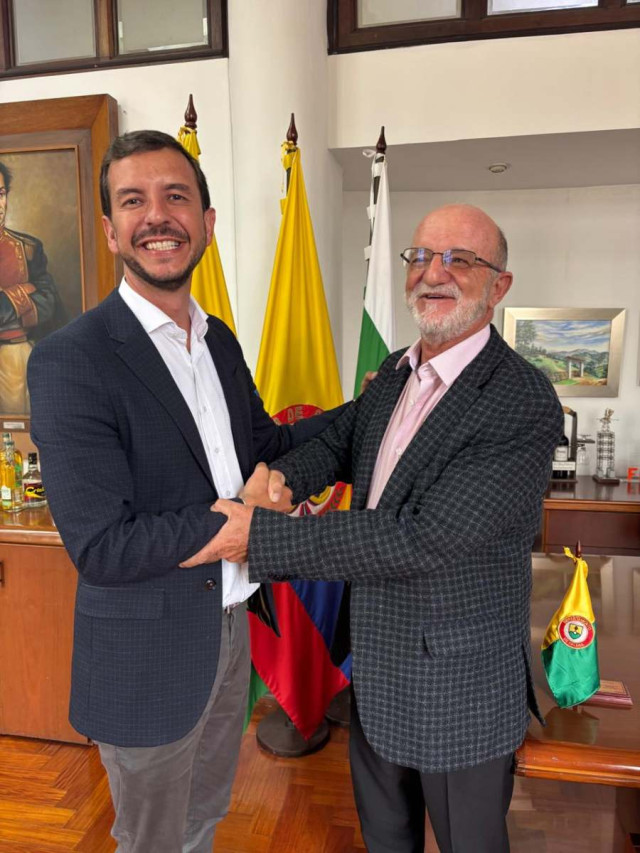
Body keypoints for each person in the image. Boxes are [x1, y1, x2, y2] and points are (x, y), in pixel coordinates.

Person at [187, 204, 564, 852]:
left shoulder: (521, 398)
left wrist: (257, 535)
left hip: (461, 692)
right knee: (385, 839)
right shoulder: (394, 371)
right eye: (420, 256)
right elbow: (339, 442)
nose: (433, 273)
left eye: (460, 259)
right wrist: (277, 481)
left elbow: (424, 538)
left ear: (499, 285)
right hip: (377, 672)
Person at [27, 129, 342, 853]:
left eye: (176, 196)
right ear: (111, 230)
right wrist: (234, 523)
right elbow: (102, 547)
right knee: (151, 840)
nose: (156, 216)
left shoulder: (219, 339)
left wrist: (381, 399)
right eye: (132, 201)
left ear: (206, 221)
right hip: (145, 656)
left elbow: (268, 449)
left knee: (204, 818)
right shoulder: (71, 359)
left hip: (228, 629)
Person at [0, 161, 64, 413]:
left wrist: (7, 302)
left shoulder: (28, 248)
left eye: (1, 194)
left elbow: (48, 303)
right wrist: (20, 292)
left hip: (14, 356)